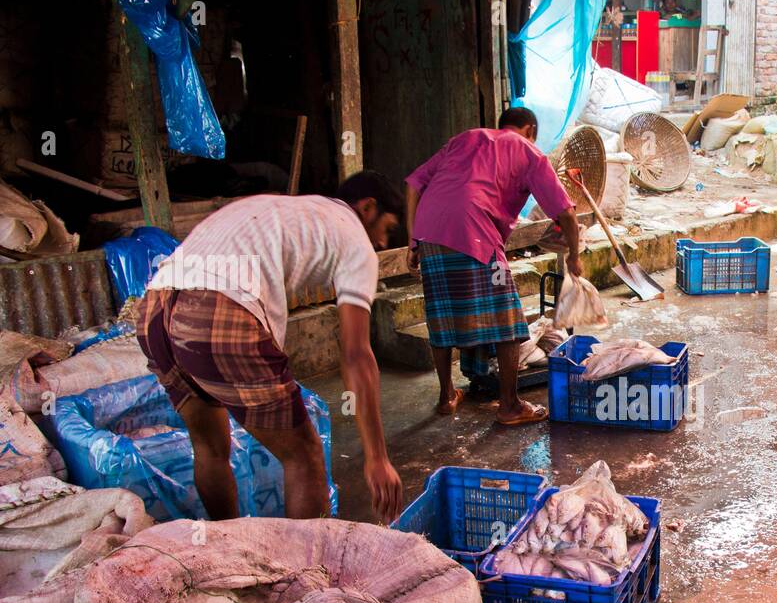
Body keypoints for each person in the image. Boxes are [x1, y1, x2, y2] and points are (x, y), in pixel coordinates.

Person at [136, 172, 405, 524]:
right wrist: (377, 457)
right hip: (217, 311)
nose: (383, 243)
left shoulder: (282, 208)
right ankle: (308, 574)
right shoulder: (355, 240)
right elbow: (356, 354)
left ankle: (229, 550)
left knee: (210, 447)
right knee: (304, 455)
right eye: (386, 228)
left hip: (154, 309)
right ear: (368, 208)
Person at [405, 106, 583, 425]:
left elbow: (414, 183)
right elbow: (566, 214)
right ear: (529, 130)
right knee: (507, 319)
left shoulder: (465, 139)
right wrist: (575, 256)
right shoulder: (527, 150)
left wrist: (412, 239)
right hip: (475, 233)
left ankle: (446, 396)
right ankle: (510, 406)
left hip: (429, 231)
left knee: (442, 315)